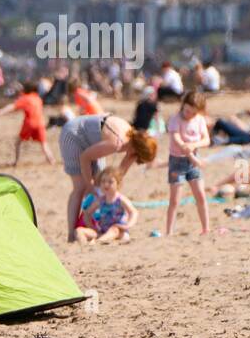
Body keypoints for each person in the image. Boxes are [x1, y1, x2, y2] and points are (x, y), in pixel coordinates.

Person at [59, 114, 157, 242]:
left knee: (100, 185)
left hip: (92, 140)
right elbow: (85, 158)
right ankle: (71, 235)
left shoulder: (131, 139)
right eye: (138, 158)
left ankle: (95, 229)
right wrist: (89, 184)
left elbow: (117, 176)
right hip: (73, 135)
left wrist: (129, 159)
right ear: (136, 150)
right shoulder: (116, 143)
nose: (136, 160)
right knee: (81, 187)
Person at [163, 91, 211, 237]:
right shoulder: (175, 119)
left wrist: (195, 145)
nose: (189, 114)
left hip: (193, 161)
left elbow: (206, 140)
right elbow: (177, 140)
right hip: (177, 161)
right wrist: (192, 155)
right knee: (175, 199)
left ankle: (206, 228)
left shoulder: (200, 120)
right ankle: (169, 231)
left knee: (200, 195)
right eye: (187, 111)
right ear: (183, 106)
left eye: (193, 112)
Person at [0, 82, 54, 166]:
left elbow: (12, 106)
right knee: (43, 143)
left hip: (30, 123)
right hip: (40, 122)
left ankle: (16, 161)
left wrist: (1, 112)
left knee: (18, 142)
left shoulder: (25, 98)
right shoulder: (38, 98)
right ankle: (51, 160)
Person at [76, 168, 137, 244]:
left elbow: (133, 212)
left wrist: (128, 225)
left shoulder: (120, 199)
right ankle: (84, 247)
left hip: (119, 232)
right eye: (103, 181)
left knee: (114, 230)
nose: (106, 184)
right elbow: (87, 214)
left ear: (118, 184)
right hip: (103, 231)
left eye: (110, 182)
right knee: (79, 230)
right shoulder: (101, 200)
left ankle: (97, 242)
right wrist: (93, 228)